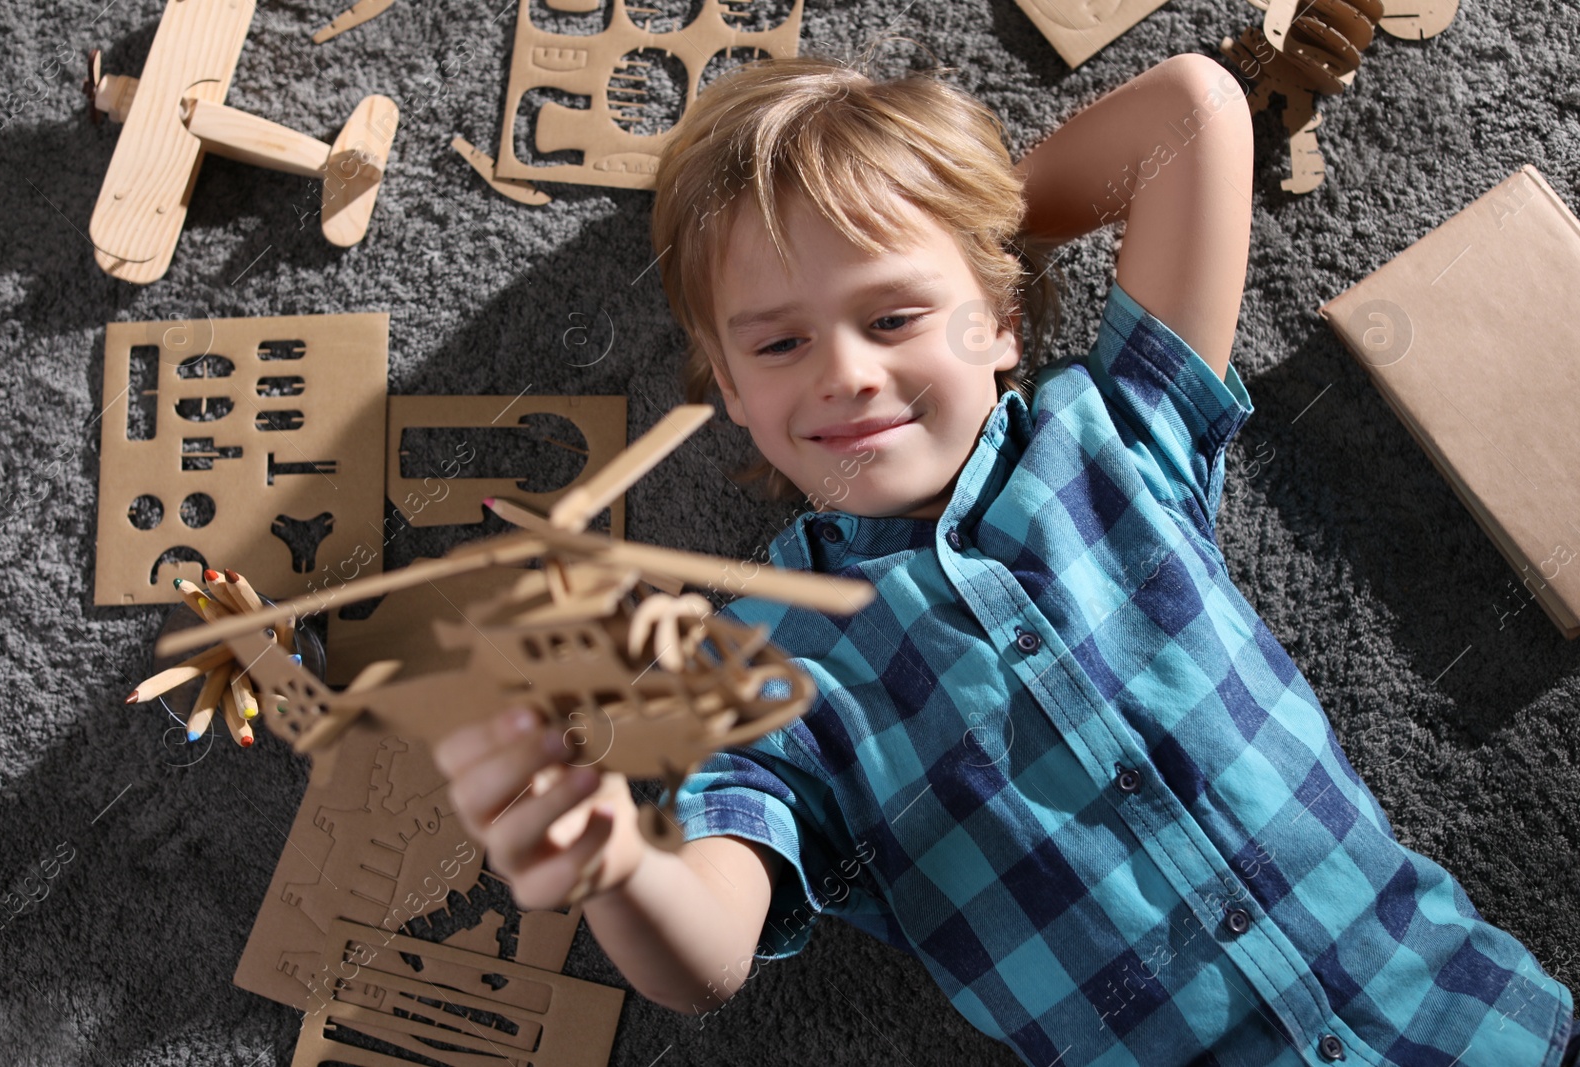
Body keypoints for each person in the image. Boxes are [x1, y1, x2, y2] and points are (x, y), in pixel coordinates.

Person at [432, 49, 1577, 1066]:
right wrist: (617, 861)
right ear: (728, 389)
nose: (844, 373)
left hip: (1474, 1023)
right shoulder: (751, 658)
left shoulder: (1111, 434)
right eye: (780, 342)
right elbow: (704, 956)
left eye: (890, 318)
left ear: (1004, 313)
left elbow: (1195, 110)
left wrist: (957, 221)